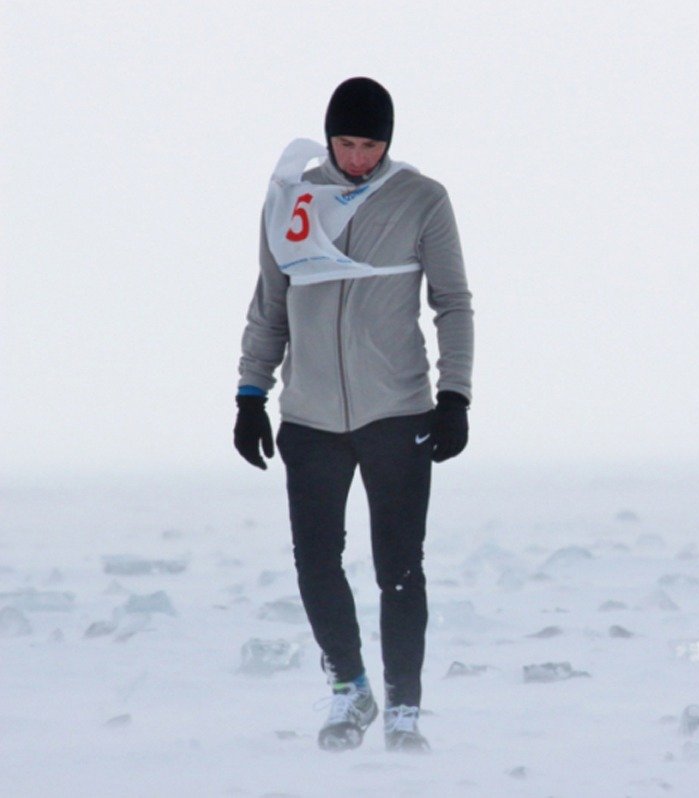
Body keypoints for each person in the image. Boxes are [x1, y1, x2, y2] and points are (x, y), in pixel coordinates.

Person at [233, 77, 474, 752]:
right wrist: (251, 395)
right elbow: (270, 304)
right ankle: (350, 689)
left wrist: (455, 394)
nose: (359, 156)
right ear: (328, 136)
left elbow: (453, 302)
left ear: (388, 143)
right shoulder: (292, 198)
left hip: (396, 411)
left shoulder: (422, 200)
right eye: (346, 142)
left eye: (371, 144)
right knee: (315, 563)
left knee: (399, 567)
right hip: (309, 415)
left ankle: (404, 709)